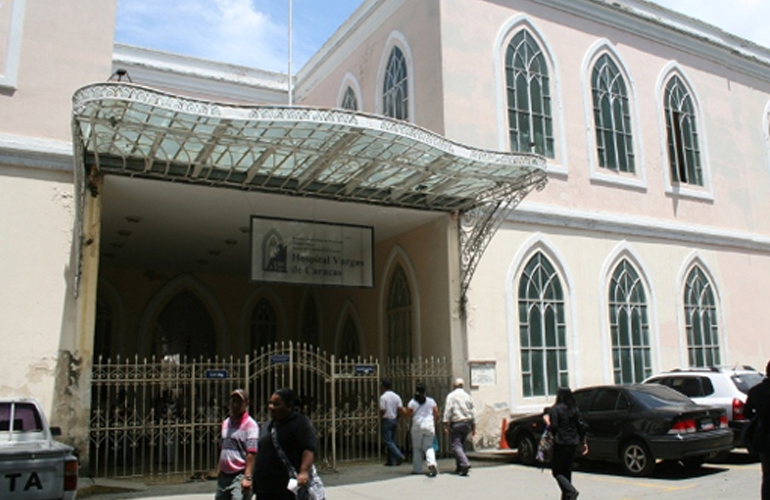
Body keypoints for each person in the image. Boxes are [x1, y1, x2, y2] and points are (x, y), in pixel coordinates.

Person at [254, 388, 318, 500]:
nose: (271, 407)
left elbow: (308, 449)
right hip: (264, 488)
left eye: (276, 404)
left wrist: (303, 472)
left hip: (285, 488)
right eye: (270, 403)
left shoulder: (300, 423)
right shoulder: (269, 425)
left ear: (289, 407)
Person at [543, 387, 589, 500]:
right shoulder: (575, 410)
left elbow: (554, 427)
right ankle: (567, 496)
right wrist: (584, 443)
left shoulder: (556, 410)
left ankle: (571, 491)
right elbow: (581, 427)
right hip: (573, 443)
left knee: (557, 471)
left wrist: (547, 422)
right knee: (567, 471)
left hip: (561, 443)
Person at [215, 388, 259, 500]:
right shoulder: (226, 423)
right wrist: (220, 467)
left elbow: (252, 452)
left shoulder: (250, 425)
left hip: (239, 475)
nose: (235, 404)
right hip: (224, 476)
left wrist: (247, 477)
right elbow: (223, 446)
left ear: (246, 404)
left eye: (239, 402)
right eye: (233, 401)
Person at [745, 360, 770, 500]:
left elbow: (746, 412)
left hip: (764, 437)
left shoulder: (756, 391)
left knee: (767, 476)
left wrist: (759, 416)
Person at [405, 383, 440, 477]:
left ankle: (417, 469)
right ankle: (432, 463)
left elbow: (408, 414)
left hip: (417, 426)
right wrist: (435, 423)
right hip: (429, 425)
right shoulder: (431, 401)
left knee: (417, 448)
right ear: (425, 391)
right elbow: (436, 413)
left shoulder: (412, 402)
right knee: (428, 446)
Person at [442, 377, 475, 476]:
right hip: (467, 423)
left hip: (456, 422)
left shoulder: (451, 396)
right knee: (461, 444)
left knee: (456, 445)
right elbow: (473, 410)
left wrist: (445, 423)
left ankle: (464, 463)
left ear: (454, 386)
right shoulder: (467, 396)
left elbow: (448, 410)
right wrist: (474, 425)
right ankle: (459, 466)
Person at [379, 378, 405, 466]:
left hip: (387, 420)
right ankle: (391, 460)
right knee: (392, 440)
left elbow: (382, 409)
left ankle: (399, 455)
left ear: (383, 387)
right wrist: (398, 417)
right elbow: (400, 409)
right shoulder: (397, 396)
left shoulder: (383, 397)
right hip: (394, 419)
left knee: (388, 441)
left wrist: (380, 416)